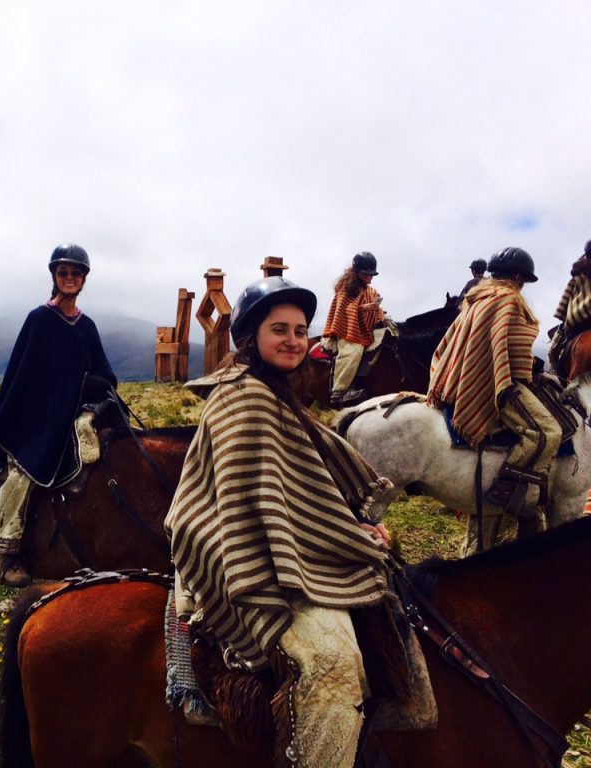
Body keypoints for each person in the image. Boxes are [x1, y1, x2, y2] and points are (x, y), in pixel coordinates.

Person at [166, 276, 398, 768]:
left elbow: (301, 486)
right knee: (331, 664)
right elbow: (248, 509)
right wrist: (340, 536)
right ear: (252, 337)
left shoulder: (277, 393)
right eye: (280, 329)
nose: (294, 339)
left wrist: (348, 523)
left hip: (282, 539)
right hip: (240, 553)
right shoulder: (244, 399)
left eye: (300, 329)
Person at [0, 244, 116, 587]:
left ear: (83, 280)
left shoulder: (86, 326)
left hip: (77, 414)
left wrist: (95, 386)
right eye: (63, 273)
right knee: (23, 473)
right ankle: (9, 551)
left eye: (75, 273)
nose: (69, 278)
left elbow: (103, 372)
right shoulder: (39, 320)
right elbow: (25, 377)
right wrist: (67, 386)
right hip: (38, 417)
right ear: (54, 276)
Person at [427, 247, 561, 553]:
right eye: (524, 279)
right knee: (547, 432)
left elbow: (480, 341)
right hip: (495, 383)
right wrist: (525, 372)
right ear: (517, 277)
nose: (523, 285)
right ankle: (507, 492)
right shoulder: (508, 299)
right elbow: (505, 348)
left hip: (465, 379)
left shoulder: (478, 297)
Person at [321, 251, 386, 407]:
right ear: (356, 271)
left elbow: (376, 310)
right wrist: (362, 309)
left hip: (367, 330)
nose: (370, 277)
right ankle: (339, 393)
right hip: (349, 330)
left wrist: (381, 315)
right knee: (353, 351)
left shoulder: (372, 291)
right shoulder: (346, 288)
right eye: (366, 274)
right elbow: (343, 310)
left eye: (372, 275)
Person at [547, 240, 591, 377]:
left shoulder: (579, 273)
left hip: (580, 321)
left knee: (552, 350)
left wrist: (563, 315)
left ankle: (555, 373)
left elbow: (567, 298)